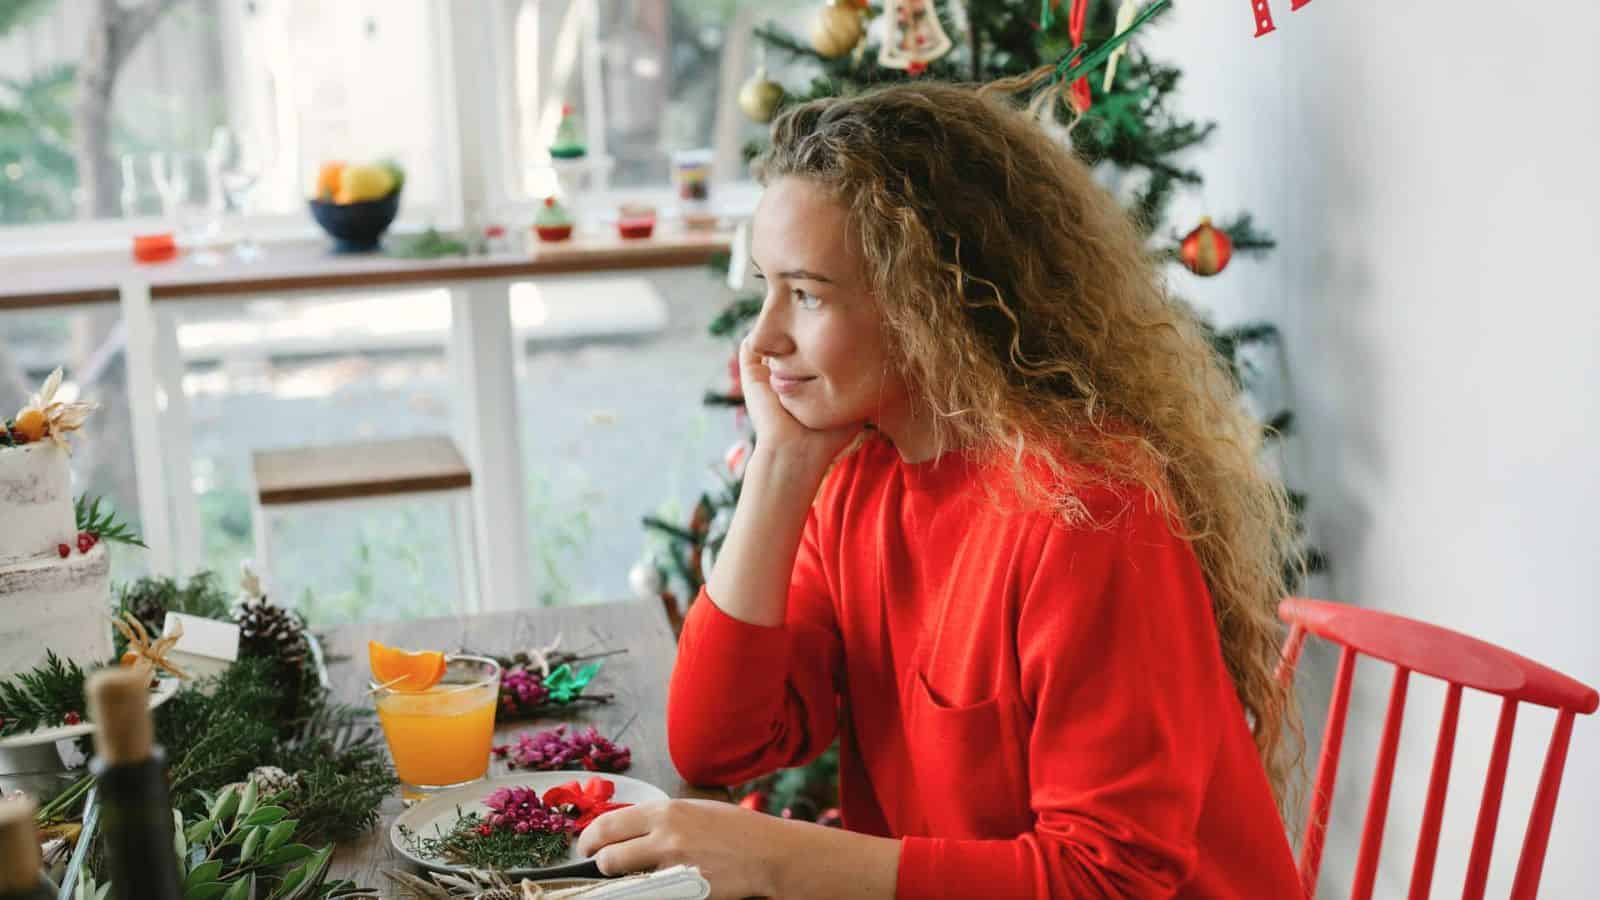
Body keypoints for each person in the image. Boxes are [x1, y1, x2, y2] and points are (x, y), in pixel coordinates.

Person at [577, 76, 1304, 899]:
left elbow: (1111, 880)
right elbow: (717, 744)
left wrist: (776, 856)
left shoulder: (1089, 512)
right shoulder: (857, 479)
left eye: (807, 294)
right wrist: (779, 469)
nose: (763, 338)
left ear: (931, 302)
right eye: (765, 288)